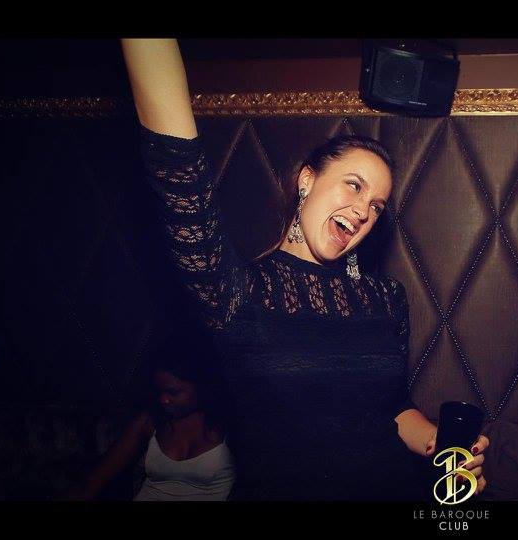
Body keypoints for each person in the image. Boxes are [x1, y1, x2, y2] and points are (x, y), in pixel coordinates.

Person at [121, 39, 488, 500]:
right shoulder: (236, 292)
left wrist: (443, 447)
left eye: (377, 205)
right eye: (353, 186)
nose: (363, 210)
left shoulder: (386, 298)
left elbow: (391, 409)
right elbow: (180, 176)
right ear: (307, 180)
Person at [72, 326, 236, 500]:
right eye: (160, 391)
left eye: (173, 392)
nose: (163, 400)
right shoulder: (151, 421)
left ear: (202, 386)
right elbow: (93, 483)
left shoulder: (231, 428)